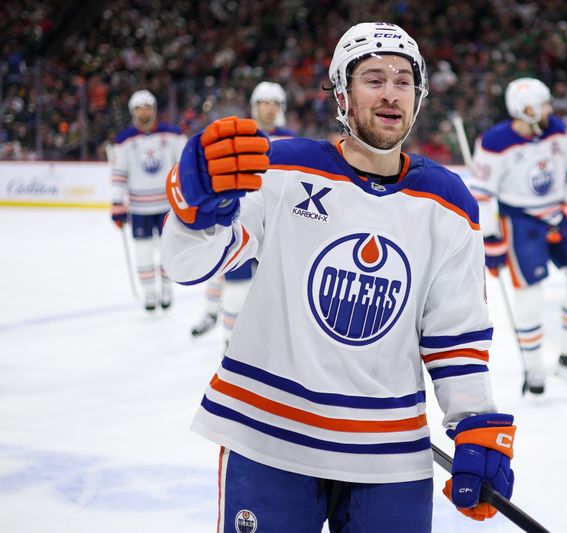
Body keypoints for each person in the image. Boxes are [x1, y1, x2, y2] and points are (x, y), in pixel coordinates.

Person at [161, 22, 516, 532]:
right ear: (341, 94)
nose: (392, 91)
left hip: (389, 454)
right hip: (270, 437)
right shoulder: (280, 168)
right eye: (373, 78)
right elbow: (189, 264)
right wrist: (198, 208)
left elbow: (455, 336)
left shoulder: (448, 202)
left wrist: (474, 423)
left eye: (404, 79)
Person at [471, 77, 567, 396]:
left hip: (557, 215)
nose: (549, 109)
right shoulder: (496, 142)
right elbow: (483, 193)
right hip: (521, 221)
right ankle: (534, 369)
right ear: (527, 109)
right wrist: (491, 238)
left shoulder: (556, 128)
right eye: (543, 104)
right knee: (529, 293)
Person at [190, 81, 297, 347]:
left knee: (266, 285)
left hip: (274, 223)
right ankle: (226, 334)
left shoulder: (294, 142)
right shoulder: (240, 136)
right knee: (228, 273)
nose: (269, 109)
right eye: (264, 102)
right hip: (238, 216)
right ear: (254, 105)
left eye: (274, 103)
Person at [111, 90, 186, 311]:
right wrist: (117, 203)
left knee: (167, 251)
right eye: (139, 108)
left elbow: (184, 167)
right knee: (143, 253)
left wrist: (187, 197)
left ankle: (166, 289)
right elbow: (119, 173)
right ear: (133, 112)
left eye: (148, 107)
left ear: (154, 109)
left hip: (167, 206)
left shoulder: (173, 135)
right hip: (139, 207)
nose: (144, 112)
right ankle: (149, 294)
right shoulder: (124, 140)